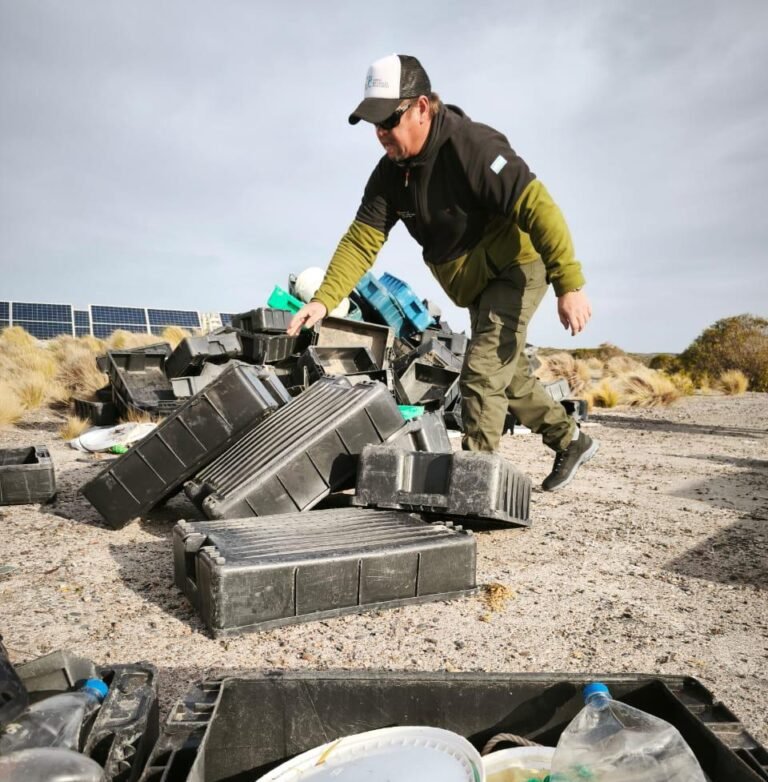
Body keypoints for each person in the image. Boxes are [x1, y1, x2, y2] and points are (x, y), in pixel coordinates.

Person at [288, 54, 599, 491]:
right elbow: (361, 240)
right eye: (373, 125)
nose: (380, 135)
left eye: (387, 121)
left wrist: (570, 284)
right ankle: (571, 440)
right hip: (476, 282)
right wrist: (323, 299)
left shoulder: (472, 147)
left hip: (517, 266)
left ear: (419, 107)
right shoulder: (389, 176)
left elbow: (537, 206)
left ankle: (474, 485)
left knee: (483, 372)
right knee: (507, 375)